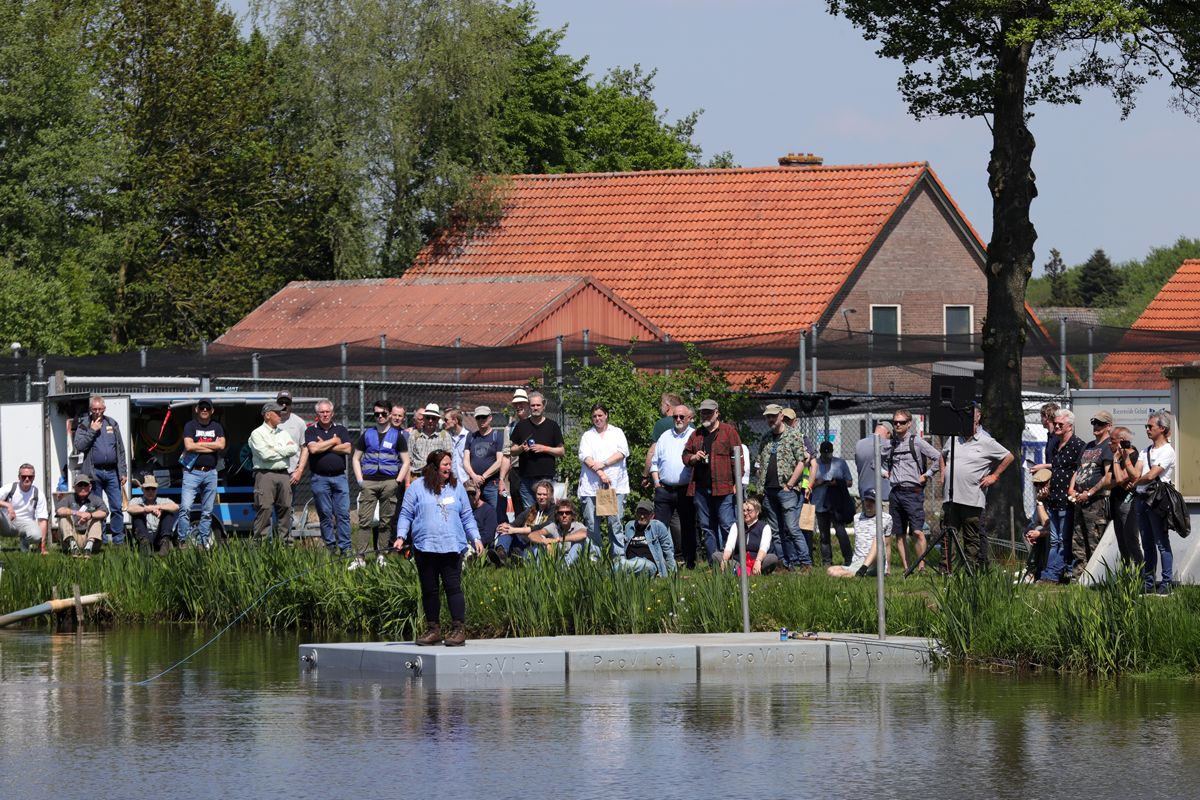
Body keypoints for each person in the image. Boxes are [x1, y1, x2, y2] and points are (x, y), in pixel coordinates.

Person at [394, 450, 483, 646]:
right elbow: (406, 514)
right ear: (434, 467)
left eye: (450, 464)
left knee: (453, 588)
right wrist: (401, 536)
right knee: (430, 590)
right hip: (425, 547)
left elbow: (467, 517)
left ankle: (458, 629)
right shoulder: (416, 487)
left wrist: (476, 538)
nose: (449, 468)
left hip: (451, 547)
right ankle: (433, 630)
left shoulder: (457, 488)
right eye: (445, 464)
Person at [939, 405, 1015, 571]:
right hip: (950, 498)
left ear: (978, 418)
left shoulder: (986, 441)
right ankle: (946, 570)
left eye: (969, 418)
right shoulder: (954, 438)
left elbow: (1009, 457)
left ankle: (970, 571)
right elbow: (942, 456)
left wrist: (994, 476)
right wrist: (943, 473)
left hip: (971, 499)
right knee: (947, 535)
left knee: (971, 538)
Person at [881, 410, 942, 573]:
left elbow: (939, 457)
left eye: (901, 422)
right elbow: (874, 461)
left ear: (909, 424)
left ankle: (921, 567)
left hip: (913, 492)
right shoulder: (890, 444)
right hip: (895, 492)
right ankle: (908, 569)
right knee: (899, 534)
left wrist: (927, 475)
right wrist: (884, 472)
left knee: (917, 532)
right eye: (895, 422)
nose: (897, 425)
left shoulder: (917, 442)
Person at [684, 398, 743, 565]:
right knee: (707, 527)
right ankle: (714, 563)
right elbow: (685, 456)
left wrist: (737, 483)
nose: (705, 415)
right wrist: (694, 457)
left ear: (717, 413)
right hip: (701, 489)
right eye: (703, 412)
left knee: (727, 525)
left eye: (709, 412)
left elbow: (738, 459)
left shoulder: (728, 431)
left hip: (724, 488)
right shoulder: (696, 434)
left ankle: (733, 562)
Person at [756, 403, 811, 569]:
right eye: (768, 417)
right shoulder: (766, 438)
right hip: (769, 491)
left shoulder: (794, 435)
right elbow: (759, 462)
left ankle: (805, 563)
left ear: (781, 416)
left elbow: (802, 461)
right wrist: (760, 479)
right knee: (776, 531)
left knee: (792, 528)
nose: (771, 419)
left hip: (787, 491)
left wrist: (790, 484)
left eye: (773, 416)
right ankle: (783, 564)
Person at [353, 399, 411, 552]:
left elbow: (406, 461)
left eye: (383, 414)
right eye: (377, 414)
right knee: (365, 521)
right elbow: (355, 458)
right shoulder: (367, 434)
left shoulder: (397, 436)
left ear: (389, 414)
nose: (380, 416)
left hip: (389, 483)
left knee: (386, 522)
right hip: (369, 483)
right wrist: (360, 481)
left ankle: (382, 555)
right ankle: (360, 556)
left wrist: (397, 482)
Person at [1065, 411, 1115, 581]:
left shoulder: (1108, 446)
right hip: (1079, 499)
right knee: (1078, 539)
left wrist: (1090, 492)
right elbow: (1078, 469)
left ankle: (1097, 578)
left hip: (1096, 501)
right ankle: (1079, 577)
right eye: (1094, 422)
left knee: (1095, 539)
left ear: (1108, 426)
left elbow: (1108, 476)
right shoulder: (1088, 446)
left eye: (1100, 423)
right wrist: (1071, 489)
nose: (1096, 426)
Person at [72, 395, 127, 544]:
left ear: (104, 408)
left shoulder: (112, 423)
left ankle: (118, 540)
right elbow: (79, 446)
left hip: (112, 472)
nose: (97, 412)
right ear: (90, 409)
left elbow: (120, 449)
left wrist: (123, 472)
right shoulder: (84, 425)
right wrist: (92, 430)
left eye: (100, 409)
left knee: (116, 507)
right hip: (93, 472)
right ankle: (99, 539)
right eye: (94, 409)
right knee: (97, 507)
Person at [1038, 410, 1085, 584]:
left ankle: (1051, 574)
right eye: (1055, 423)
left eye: (1060, 424)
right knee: (1055, 540)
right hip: (1054, 498)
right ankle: (1056, 572)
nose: (1056, 426)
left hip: (1067, 500)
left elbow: (1080, 470)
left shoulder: (1078, 445)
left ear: (1070, 426)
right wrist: (1047, 486)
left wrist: (1073, 491)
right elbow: (1056, 469)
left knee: (1063, 540)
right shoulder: (1056, 444)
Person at [1133, 411, 1176, 595]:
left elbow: (1151, 475)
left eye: (1150, 426)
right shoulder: (1145, 451)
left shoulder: (1168, 451)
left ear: (1162, 428)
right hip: (1142, 500)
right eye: (1146, 426)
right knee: (1147, 544)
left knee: (1161, 542)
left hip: (1157, 502)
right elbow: (1136, 473)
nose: (1147, 429)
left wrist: (1135, 482)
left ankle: (1166, 583)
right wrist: (1124, 456)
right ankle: (1148, 583)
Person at [651, 403, 699, 567]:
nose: (678, 419)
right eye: (675, 417)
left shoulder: (694, 435)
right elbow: (655, 462)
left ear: (689, 418)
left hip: (686, 489)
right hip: (664, 489)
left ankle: (689, 562)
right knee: (659, 527)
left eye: (681, 417)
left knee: (688, 526)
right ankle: (661, 562)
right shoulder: (665, 436)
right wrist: (656, 482)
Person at [577, 403, 630, 551]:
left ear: (606, 415)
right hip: (591, 487)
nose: (597, 418)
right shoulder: (587, 435)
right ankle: (595, 557)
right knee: (592, 524)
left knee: (615, 523)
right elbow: (585, 457)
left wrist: (603, 463)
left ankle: (618, 557)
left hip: (614, 486)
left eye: (600, 415)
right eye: (594, 416)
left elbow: (622, 453)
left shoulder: (617, 432)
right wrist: (600, 473)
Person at [305, 399, 353, 555]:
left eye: (327, 412)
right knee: (325, 514)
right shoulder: (311, 431)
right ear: (317, 414)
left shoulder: (341, 429)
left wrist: (323, 445)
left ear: (332, 413)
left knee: (343, 514)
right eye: (322, 412)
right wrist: (333, 441)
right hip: (320, 479)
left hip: (340, 478)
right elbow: (313, 449)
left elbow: (347, 449)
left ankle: (346, 549)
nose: (325, 414)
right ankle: (331, 548)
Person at [177, 398, 225, 549]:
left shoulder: (217, 427)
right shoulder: (190, 426)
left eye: (207, 408)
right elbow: (189, 446)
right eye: (202, 407)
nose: (205, 410)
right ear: (197, 409)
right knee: (185, 508)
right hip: (192, 473)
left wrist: (199, 444)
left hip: (211, 473)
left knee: (207, 511)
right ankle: (182, 540)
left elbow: (221, 445)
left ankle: (203, 542)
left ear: (212, 411)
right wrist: (212, 446)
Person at [249, 401, 299, 541]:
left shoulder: (284, 433)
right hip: (265, 474)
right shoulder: (257, 433)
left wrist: (274, 449)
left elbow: (294, 449)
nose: (280, 415)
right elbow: (265, 455)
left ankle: (285, 544)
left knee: (286, 508)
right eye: (277, 413)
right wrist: (284, 451)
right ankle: (262, 545)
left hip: (284, 474)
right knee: (265, 509)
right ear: (267, 415)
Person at [510, 391, 565, 509]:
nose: (535, 408)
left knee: (547, 509)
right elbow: (512, 450)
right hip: (526, 478)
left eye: (538, 405)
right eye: (533, 405)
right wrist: (521, 448)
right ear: (529, 406)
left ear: (543, 405)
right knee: (530, 512)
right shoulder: (521, 426)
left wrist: (544, 448)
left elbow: (561, 451)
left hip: (546, 477)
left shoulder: (552, 426)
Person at [828, 488, 891, 578]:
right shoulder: (857, 518)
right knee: (831, 571)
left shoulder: (886, 518)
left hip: (876, 561)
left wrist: (887, 570)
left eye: (872, 501)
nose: (869, 503)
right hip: (858, 561)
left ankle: (863, 569)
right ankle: (859, 573)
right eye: (867, 500)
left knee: (878, 538)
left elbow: (887, 544)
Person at [490, 478, 556, 564]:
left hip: (540, 543)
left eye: (545, 494)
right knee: (506, 530)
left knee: (512, 532)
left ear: (550, 495)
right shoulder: (532, 509)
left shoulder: (554, 510)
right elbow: (515, 523)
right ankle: (501, 554)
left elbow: (541, 528)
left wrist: (515, 530)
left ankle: (518, 557)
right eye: (539, 494)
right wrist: (505, 526)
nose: (541, 497)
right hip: (524, 541)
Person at [809, 441, 854, 566]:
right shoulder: (814, 464)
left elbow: (849, 482)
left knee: (841, 532)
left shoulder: (840, 463)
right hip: (819, 504)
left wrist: (836, 482)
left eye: (829, 454)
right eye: (824, 454)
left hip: (836, 504)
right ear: (820, 453)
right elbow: (807, 484)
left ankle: (849, 560)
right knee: (824, 535)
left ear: (832, 452)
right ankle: (827, 562)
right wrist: (817, 483)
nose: (826, 457)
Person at [1108, 426, 1144, 567]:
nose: (1109, 444)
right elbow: (1108, 481)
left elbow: (1119, 478)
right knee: (1121, 542)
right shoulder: (1117, 457)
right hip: (1116, 502)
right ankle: (1127, 573)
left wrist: (1116, 460)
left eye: (1112, 440)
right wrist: (1121, 482)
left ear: (1121, 441)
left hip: (1128, 503)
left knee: (1131, 539)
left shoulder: (1133, 456)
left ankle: (1141, 572)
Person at [615, 499, 676, 576]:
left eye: (645, 513)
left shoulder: (657, 526)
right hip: (630, 563)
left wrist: (673, 573)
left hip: (648, 564)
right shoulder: (629, 526)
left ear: (652, 515)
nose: (642, 516)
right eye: (639, 513)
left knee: (636, 563)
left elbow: (667, 550)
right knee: (620, 564)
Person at [720, 497, 779, 575]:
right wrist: (724, 559)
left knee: (772, 558)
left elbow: (764, 547)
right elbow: (729, 546)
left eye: (749, 510)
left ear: (757, 512)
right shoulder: (736, 526)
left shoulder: (765, 527)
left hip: (757, 560)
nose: (745, 513)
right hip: (738, 562)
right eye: (743, 511)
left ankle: (756, 570)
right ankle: (737, 570)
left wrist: (758, 561)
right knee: (717, 556)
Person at [465, 406, 506, 513]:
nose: (481, 420)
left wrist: (483, 477)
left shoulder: (498, 435)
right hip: (474, 485)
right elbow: (465, 460)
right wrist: (474, 476)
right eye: (478, 418)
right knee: (475, 513)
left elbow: (499, 461)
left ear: (490, 418)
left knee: (495, 513)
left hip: (491, 484)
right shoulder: (471, 436)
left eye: (484, 417)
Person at [0, 463, 49, 553]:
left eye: (30, 477)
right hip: (8, 522)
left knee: (37, 536)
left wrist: (42, 546)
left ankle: (25, 541)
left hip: (27, 523)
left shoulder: (39, 494)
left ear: (33, 478)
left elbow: (43, 520)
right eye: (24, 476)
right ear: (19, 477)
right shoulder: (10, 487)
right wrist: (8, 505)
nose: (27, 479)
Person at [55, 474, 107, 556]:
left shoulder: (96, 499)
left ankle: (88, 548)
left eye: (85, 485)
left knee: (96, 519)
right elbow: (59, 511)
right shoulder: (68, 498)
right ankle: (73, 546)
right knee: (63, 518)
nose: (83, 488)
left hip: (91, 538)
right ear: (74, 487)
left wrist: (90, 515)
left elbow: (104, 512)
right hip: (72, 536)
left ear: (90, 487)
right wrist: (77, 513)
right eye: (79, 485)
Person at [127, 474, 179, 555]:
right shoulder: (136, 500)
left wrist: (159, 507)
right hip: (144, 534)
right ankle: (144, 545)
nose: (150, 491)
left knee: (168, 513)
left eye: (153, 488)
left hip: (159, 535)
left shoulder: (163, 500)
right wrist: (145, 509)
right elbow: (129, 509)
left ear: (157, 489)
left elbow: (176, 507)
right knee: (137, 514)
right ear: (142, 489)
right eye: (147, 488)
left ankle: (165, 543)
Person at [642, 393, 683, 489]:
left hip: (665, 482)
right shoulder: (690, 425)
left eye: (661, 404)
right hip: (685, 480)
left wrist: (645, 475)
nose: (660, 407)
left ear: (667, 406)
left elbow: (652, 452)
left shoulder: (661, 424)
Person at [408, 403, 453, 487]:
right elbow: (408, 460)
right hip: (416, 477)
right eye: (428, 417)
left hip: (437, 478)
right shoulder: (414, 435)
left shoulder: (444, 435)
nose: (430, 421)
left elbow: (449, 459)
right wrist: (407, 483)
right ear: (424, 418)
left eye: (433, 418)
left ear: (438, 419)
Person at [275, 390, 310, 491]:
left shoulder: (299, 423)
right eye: (281, 402)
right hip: (271, 471)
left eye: (287, 402)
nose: (284, 405)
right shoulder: (270, 420)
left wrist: (299, 470)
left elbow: (305, 447)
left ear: (291, 404)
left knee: (288, 501)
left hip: (290, 472)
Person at [1022, 468, 1053, 581]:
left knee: (1040, 531)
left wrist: (1040, 502)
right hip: (1046, 530)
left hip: (1056, 534)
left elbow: (1046, 524)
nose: (1039, 487)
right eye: (1036, 484)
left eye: (1042, 484)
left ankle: (1042, 570)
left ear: (1050, 482)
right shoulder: (1042, 498)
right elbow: (1036, 521)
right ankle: (1034, 569)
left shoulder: (1055, 498)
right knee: (1028, 531)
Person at [505, 389, 531, 515]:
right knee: (518, 508)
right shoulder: (509, 428)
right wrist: (502, 479)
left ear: (528, 404)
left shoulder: (536, 424)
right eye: (516, 404)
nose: (518, 406)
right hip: (516, 470)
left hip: (533, 469)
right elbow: (506, 454)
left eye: (521, 403)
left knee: (533, 508)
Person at [854, 420, 893, 503]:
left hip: (865, 493)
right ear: (888, 433)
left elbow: (858, 464)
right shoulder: (888, 444)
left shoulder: (859, 444)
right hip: (884, 494)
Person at [466, 480, 498, 549]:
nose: (470, 497)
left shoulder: (489, 511)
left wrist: (473, 545)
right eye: (467, 494)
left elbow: (489, 536)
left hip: (479, 545)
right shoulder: (463, 510)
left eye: (473, 493)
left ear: (479, 492)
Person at [443, 408, 470, 482]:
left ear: (455, 420)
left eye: (446, 420)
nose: (444, 423)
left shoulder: (469, 437)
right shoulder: (448, 438)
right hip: (451, 482)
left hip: (466, 481)